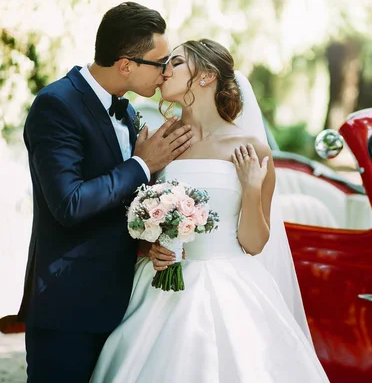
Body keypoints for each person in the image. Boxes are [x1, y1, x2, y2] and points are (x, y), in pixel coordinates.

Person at [90, 39, 329, 382]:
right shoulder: (159, 143)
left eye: (175, 63)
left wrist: (250, 188)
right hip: (163, 286)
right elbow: (136, 216)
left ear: (205, 76)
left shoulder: (251, 148)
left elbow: (255, 243)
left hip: (232, 287)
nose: (164, 71)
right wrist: (152, 247)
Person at [18, 2, 194, 381]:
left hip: (121, 305)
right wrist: (141, 164)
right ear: (127, 64)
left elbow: (119, 202)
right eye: (160, 63)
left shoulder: (128, 113)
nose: (166, 73)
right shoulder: (56, 105)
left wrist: (147, 240)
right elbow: (70, 203)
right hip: (68, 307)